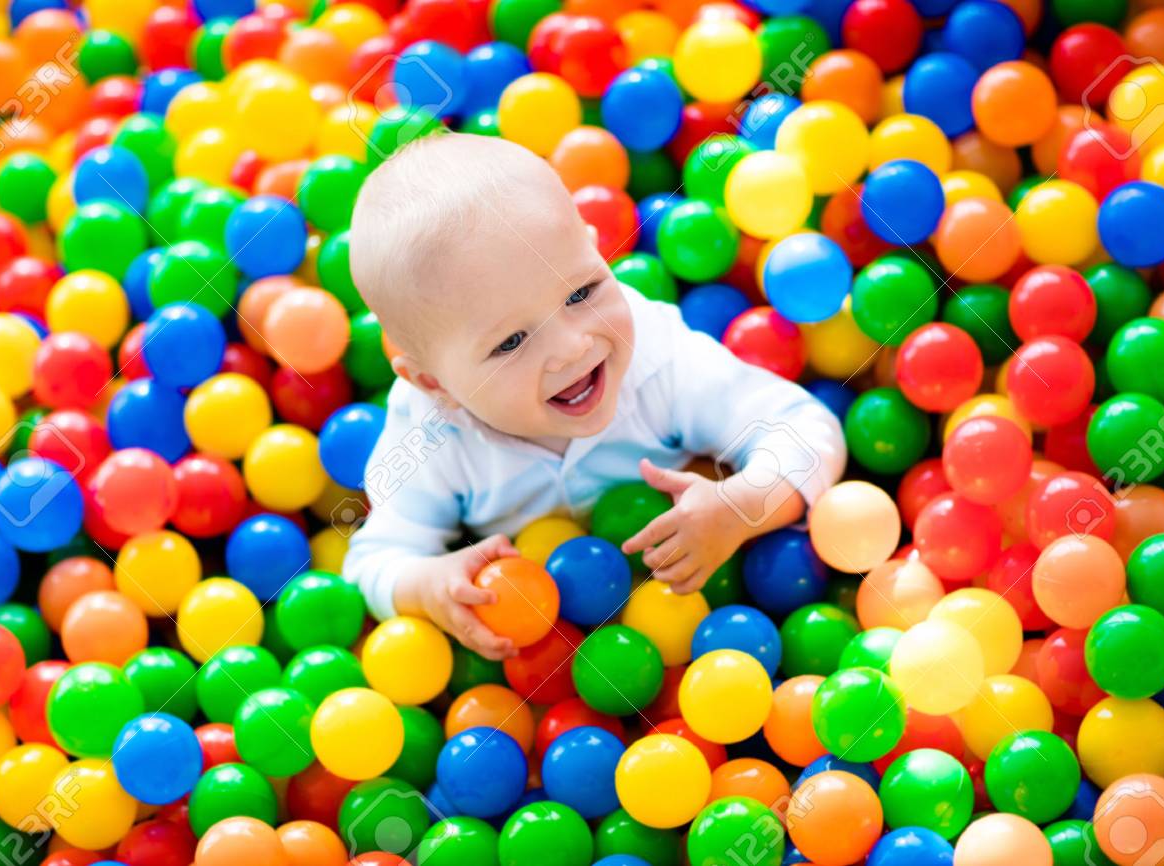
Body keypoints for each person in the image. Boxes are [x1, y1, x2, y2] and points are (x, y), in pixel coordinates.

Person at [343, 132, 846, 660]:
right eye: (511, 342)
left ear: (594, 248)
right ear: (435, 385)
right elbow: (374, 560)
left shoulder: (657, 359)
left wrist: (741, 505)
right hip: (547, 659)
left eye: (581, 292)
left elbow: (804, 427)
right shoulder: (429, 436)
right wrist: (429, 586)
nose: (572, 347)